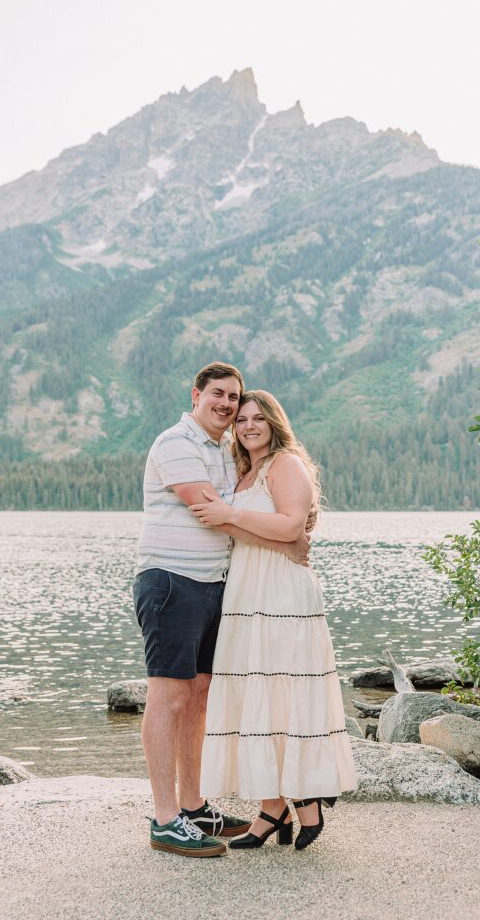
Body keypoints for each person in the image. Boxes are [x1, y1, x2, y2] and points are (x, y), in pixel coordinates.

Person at [133, 363, 311, 858]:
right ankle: (166, 819)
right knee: (169, 697)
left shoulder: (222, 452)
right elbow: (214, 514)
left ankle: (194, 807)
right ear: (196, 394)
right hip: (171, 581)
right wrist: (288, 544)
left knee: (200, 695)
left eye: (233, 397)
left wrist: (288, 538)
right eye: (219, 394)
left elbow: (238, 512)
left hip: (214, 587)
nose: (227, 404)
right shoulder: (176, 444)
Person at [191, 389, 357, 851]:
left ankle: (303, 801)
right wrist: (230, 517)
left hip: (283, 592)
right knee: (253, 695)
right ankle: (273, 806)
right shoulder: (244, 472)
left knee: (284, 692)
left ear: (274, 423)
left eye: (258, 418)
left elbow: (290, 526)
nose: (248, 425)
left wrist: (231, 515)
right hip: (246, 591)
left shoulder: (286, 463)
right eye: (241, 419)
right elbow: (241, 529)